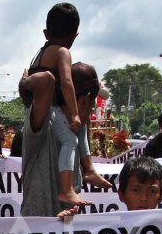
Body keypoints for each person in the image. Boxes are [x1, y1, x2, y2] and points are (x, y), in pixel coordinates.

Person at [24, 2, 110, 206]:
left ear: (46, 33)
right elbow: (66, 82)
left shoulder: (39, 54)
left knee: (78, 131)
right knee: (71, 140)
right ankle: (67, 189)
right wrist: (74, 113)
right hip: (49, 110)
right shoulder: (62, 52)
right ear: (75, 36)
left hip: (41, 107)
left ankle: (88, 169)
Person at [20, 62, 103, 216]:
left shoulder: (77, 132)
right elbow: (46, 80)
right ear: (85, 100)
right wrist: (24, 83)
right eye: (92, 106)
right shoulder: (45, 122)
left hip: (64, 233)